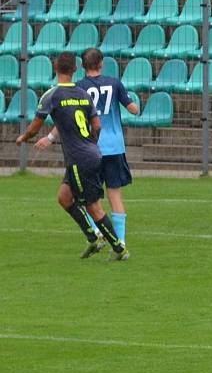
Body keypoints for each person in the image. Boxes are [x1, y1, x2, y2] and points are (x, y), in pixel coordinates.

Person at [16, 52, 129, 261]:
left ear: (55, 68)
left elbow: (35, 127)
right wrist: (90, 145)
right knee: (64, 197)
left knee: (92, 206)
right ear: (75, 69)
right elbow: (97, 125)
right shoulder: (82, 94)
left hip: (79, 158)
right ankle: (93, 237)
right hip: (89, 153)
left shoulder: (52, 95)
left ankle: (119, 249)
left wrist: (24, 137)